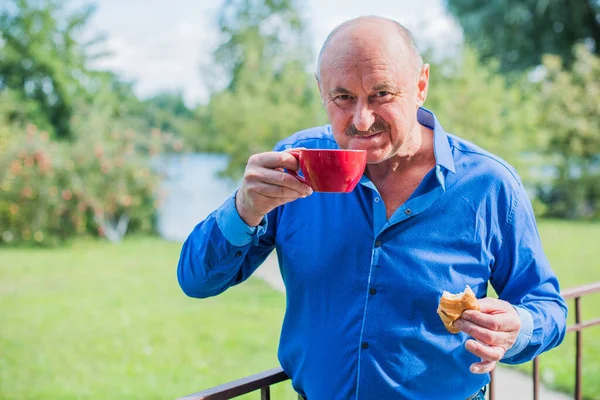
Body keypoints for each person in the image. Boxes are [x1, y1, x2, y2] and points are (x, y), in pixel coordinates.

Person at [177, 16, 567, 400]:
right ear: (321, 91)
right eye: (343, 97)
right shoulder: (294, 165)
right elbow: (197, 281)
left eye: (381, 94)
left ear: (420, 85)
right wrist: (244, 207)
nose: (361, 121)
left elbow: (547, 306)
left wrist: (519, 327)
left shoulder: (489, 183)